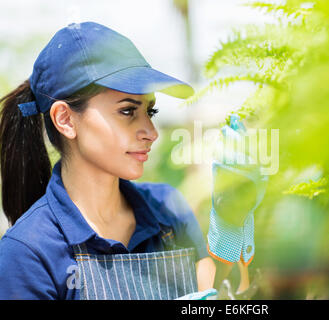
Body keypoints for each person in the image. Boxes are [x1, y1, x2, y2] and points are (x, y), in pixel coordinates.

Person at [0, 21, 256, 300]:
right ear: (65, 119)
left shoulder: (168, 211)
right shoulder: (28, 253)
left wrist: (232, 227)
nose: (151, 133)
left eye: (151, 111)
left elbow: (218, 293)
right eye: (127, 111)